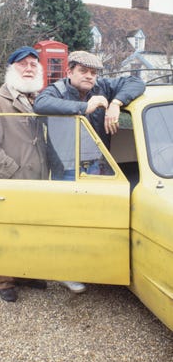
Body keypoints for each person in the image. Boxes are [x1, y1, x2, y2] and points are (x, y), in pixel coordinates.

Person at [33, 50, 146, 293]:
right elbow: (40, 104)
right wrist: (84, 107)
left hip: (98, 163)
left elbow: (136, 81)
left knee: (97, 217)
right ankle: (67, 271)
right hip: (67, 166)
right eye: (83, 71)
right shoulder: (57, 90)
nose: (89, 77)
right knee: (69, 220)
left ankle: (95, 268)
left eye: (93, 72)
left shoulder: (103, 86)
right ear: (69, 72)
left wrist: (116, 103)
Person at [0, 46, 50, 303]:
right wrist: (14, 171)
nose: (29, 68)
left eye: (33, 64)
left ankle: (27, 273)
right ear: (11, 69)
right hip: (9, 182)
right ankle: (4, 280)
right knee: (7, 231)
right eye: (23, 64)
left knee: (31, 228)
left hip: (36, 180)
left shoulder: (38, 99)